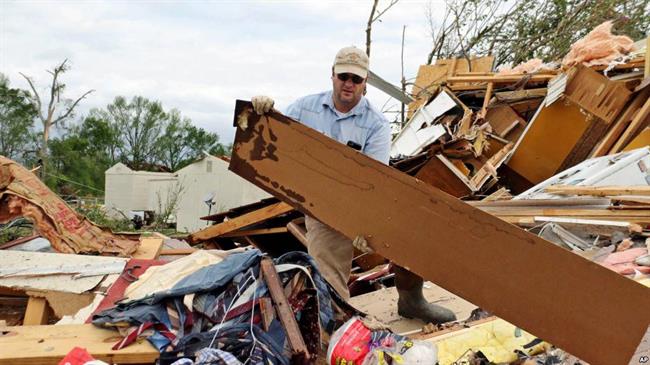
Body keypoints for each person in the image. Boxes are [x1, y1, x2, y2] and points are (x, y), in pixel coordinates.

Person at [251, 46, 456, 325]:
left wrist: (364, 223)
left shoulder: (376, 123)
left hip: (363, 198)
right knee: (329, 264)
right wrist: (266, 112)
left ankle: (411, 300)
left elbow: (375, 182)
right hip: (321, 202)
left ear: (365, 84)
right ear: (332, 75)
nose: (349, 84)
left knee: (411, 231)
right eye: (343, 76)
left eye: (356, 79)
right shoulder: (304, 108)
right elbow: (278, 140)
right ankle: (335, 322)